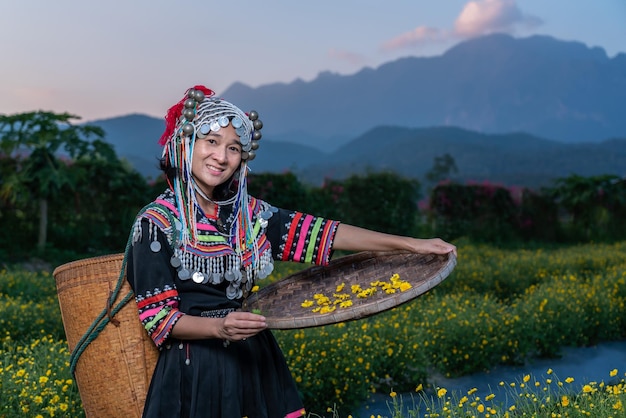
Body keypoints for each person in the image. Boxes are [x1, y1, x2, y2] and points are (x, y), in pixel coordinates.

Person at [127, 85, 457, 418]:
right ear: (185, 143)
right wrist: (220, 327)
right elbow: (159, 319)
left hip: (255, 360)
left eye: (234, 148)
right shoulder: (156, 223)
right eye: (211, 142)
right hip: (194, 373)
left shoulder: (248, 214)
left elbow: (324, 233)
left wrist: (412, 244)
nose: (222, 157)